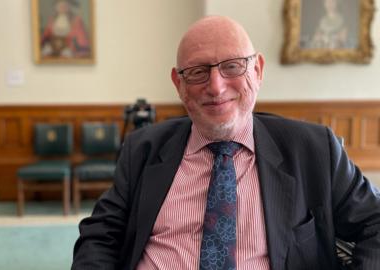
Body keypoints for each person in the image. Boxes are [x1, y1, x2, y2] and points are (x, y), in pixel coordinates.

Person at [72, 16, 380, 270]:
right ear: (179, 84)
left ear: (257, 70)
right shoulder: (143, 149)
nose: (216, 87)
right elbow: (100, 235)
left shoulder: (313, 150)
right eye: (197, 72)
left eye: (232, 66)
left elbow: (375, 221)